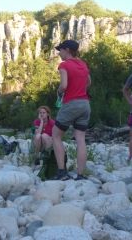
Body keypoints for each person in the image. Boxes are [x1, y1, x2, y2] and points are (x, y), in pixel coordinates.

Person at [52, 40, 91, 181]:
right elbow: (89, 82)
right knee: (80, 139)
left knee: (56, 135)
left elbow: (64, 85)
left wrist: (59, 91)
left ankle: (62, 172)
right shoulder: (83, 64)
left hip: (71, 103)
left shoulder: (64, 65)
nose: (59, 53)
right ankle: (80, 175)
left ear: (67, 50)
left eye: (60, 50)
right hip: (85, 104)